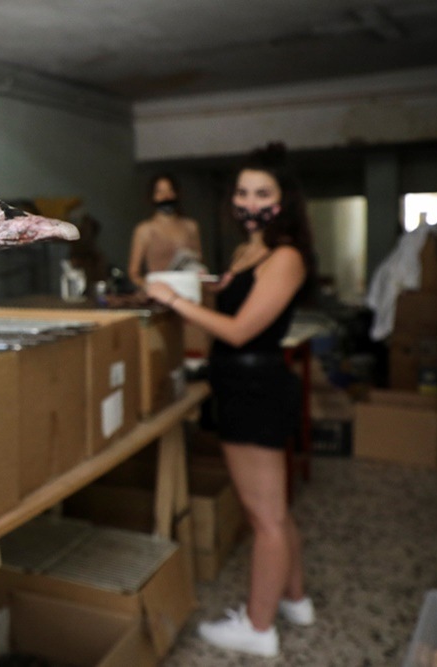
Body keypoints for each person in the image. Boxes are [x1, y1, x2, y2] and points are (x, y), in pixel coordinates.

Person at [145, 144, 315, 658]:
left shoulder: (286, 257)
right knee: (275, 511)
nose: (249, 201)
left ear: (284, 201)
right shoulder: (251, 250)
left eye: (262, 193)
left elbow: (241, 330)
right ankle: (295, 599)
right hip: (241, 386)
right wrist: (201, 283)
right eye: (242, 192)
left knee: (263, 517)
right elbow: (232, 297)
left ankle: (259, 629)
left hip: (257, 388)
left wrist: (174, 300)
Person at [127, 173, 203, 289]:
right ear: (152, 196)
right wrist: (150, 288)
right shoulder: (145, 229)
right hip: (160, 295)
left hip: (188, 292)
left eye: (170, 190)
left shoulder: (190, 226)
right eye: (160, 192)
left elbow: (199, 262)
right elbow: (134, 273)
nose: (166, 196)